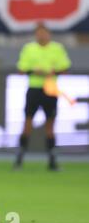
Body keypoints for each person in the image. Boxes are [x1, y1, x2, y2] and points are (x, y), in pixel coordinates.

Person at [14, 23, 71, 171]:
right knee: (27, 124)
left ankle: (52, 161)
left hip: (50, 90)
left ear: (49, 34)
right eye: (39, 33)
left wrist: (52, 72)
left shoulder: (57, 48)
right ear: (36, 35)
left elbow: (64, 68)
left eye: (44, 33)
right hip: (34, 90)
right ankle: (19, 159)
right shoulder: (29, 48)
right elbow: (22, 68)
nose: (42, 36)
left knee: (50, 126)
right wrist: (36, 71)